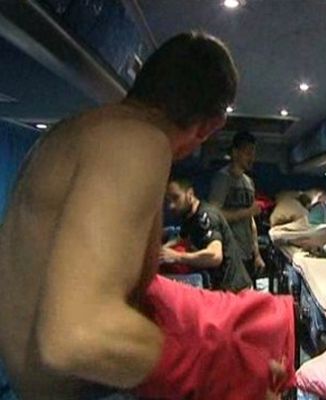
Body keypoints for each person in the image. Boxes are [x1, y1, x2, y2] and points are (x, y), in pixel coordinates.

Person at [0, 31, 293, 400]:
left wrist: (205, 315)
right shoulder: (137, 142)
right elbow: (76, 334)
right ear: (211, 126)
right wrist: (224, 367)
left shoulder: (69, 134)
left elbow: (77, 274)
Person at [161, 177, 252, 292]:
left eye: (176, 198)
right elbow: (181, 238)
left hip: (235, 291)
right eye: (168, 200)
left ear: (190, 194)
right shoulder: (188, 216)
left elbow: (215, 256)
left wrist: (177, 257)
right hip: (220, 289)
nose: (171, 205)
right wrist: (160, 251)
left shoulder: (206, 216)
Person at [209, 131, 266, 281]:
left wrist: (257, 254)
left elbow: (251, 222)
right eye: (248, 153)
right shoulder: (222, 179)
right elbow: (214, 215)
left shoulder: (249, 182)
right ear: (235, 153)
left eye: (253, 153)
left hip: (247, 254)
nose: (252, 158)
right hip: (229, 253)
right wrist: (247, 212)